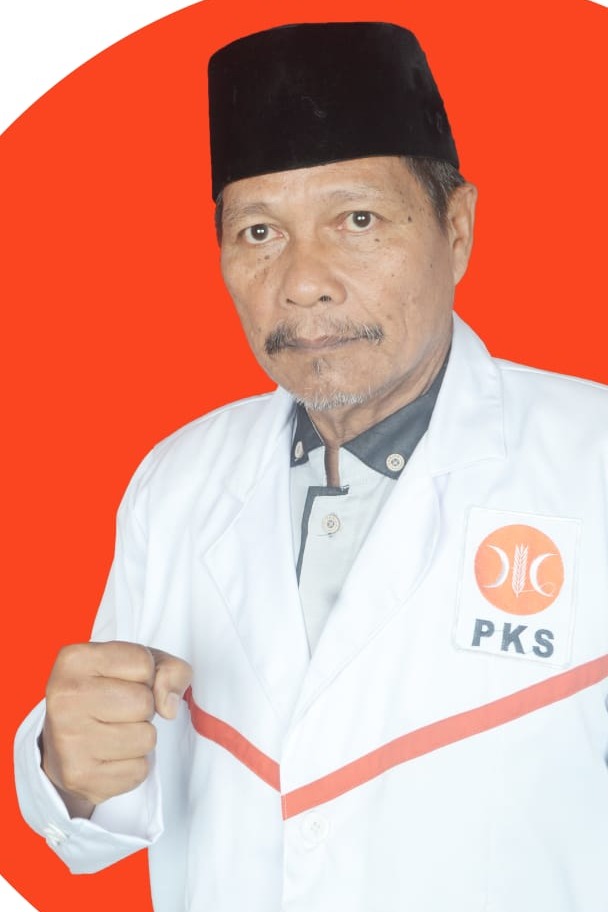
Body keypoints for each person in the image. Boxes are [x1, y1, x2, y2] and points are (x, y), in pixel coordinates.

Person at [14, 20, 608, 912]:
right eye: (259, 231)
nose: (302, 281)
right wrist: (70, 769)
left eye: (357, 220)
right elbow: (99, 820)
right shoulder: (180, 481)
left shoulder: (593, 462)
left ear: (456, 229)